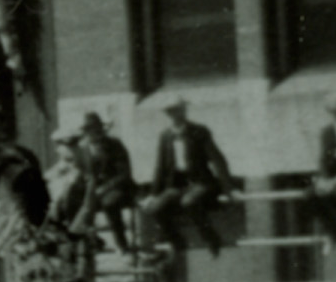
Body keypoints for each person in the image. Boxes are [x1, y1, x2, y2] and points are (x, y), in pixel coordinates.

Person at [142, 98, 234, 257]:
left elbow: (218, 160)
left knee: (189, 202)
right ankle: (177, 242)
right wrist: (152, 194)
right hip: (178, 185)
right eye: (170, 111)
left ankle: (211, 238)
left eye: (178, 110)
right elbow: (160, 167)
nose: (175, 115)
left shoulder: (199, 131)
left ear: (184, 111)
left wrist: (228, 189)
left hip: (201, 182)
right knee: (154, 208)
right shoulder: (165, 136)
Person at [73, 113, 138, 254]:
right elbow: (80, 174)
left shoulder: (115, 145)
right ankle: (90, 243)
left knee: (110, 203)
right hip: (93, 191)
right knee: (73, 202)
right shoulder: (82, 150)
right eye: (89, 130)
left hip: (117, 188)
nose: (93, 133)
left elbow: (124, 174)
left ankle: (122, 245)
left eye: (96, 129)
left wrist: (103, 189)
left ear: (101, 129)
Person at [311, 92, 336, 245]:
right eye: (333, 111)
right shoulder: (327, 131)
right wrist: (323, 179)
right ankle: (332, 232)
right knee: (310, 195)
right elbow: (323, 159)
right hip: (333, 178)